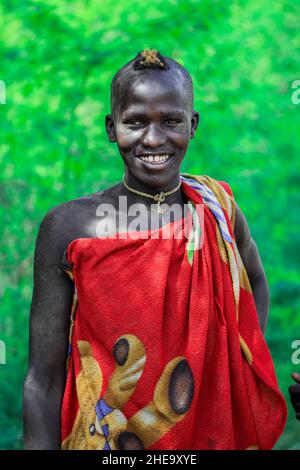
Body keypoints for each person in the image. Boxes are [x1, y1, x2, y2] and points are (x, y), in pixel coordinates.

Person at [23, 48, 291, 450]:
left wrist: (234, 364)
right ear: (112, 128)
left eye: (171, 121)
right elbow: (42, 380)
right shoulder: (69, 226)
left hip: (208, 435)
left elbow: (253, 281)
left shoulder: (217, 209)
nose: (153, 139)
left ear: (193, 124)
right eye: (136, 122)